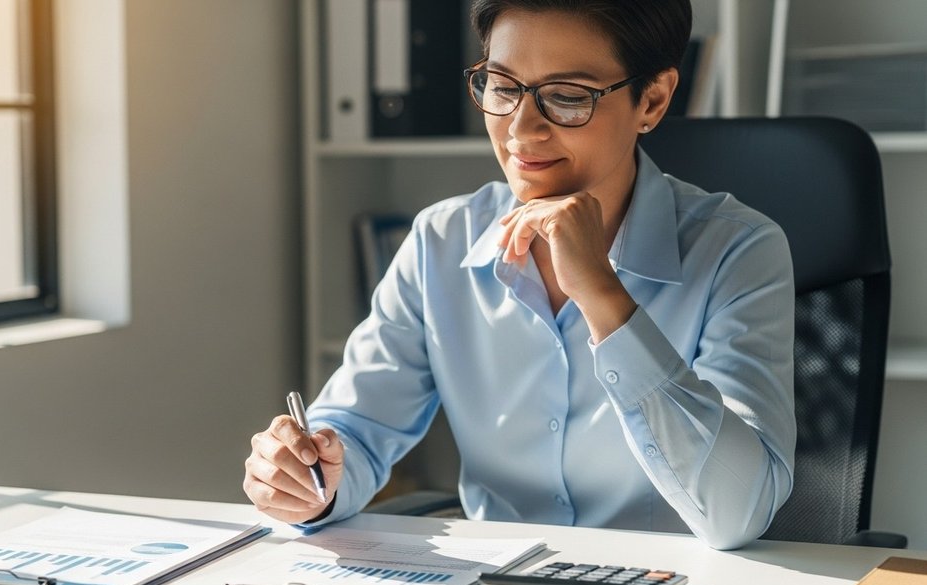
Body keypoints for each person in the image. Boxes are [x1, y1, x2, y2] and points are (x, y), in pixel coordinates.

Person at [244, 0, 795, 551]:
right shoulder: (442, 241)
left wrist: (603, 297)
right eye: (502, 87)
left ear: (651, 99)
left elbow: (737, 513)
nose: (521, 129)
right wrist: (309, 481)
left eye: (567, 97)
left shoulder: (738, 250)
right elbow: (357, 430)